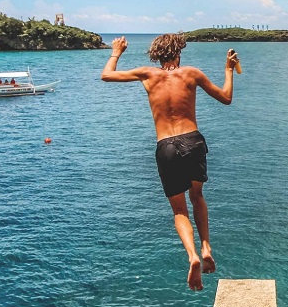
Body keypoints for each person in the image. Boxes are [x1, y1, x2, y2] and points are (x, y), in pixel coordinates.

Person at [101, 34, 239, 291]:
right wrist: (228, 70)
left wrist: (117, 51)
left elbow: (107, 75)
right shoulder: (191, 74)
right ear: (178, 53)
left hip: (166, 146)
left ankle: (192, 256)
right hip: (193, 140)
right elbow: (226, 98)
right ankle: (206, 246)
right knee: (197, 196)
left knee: (179, 210)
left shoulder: (147, 74)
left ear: (156, 55)